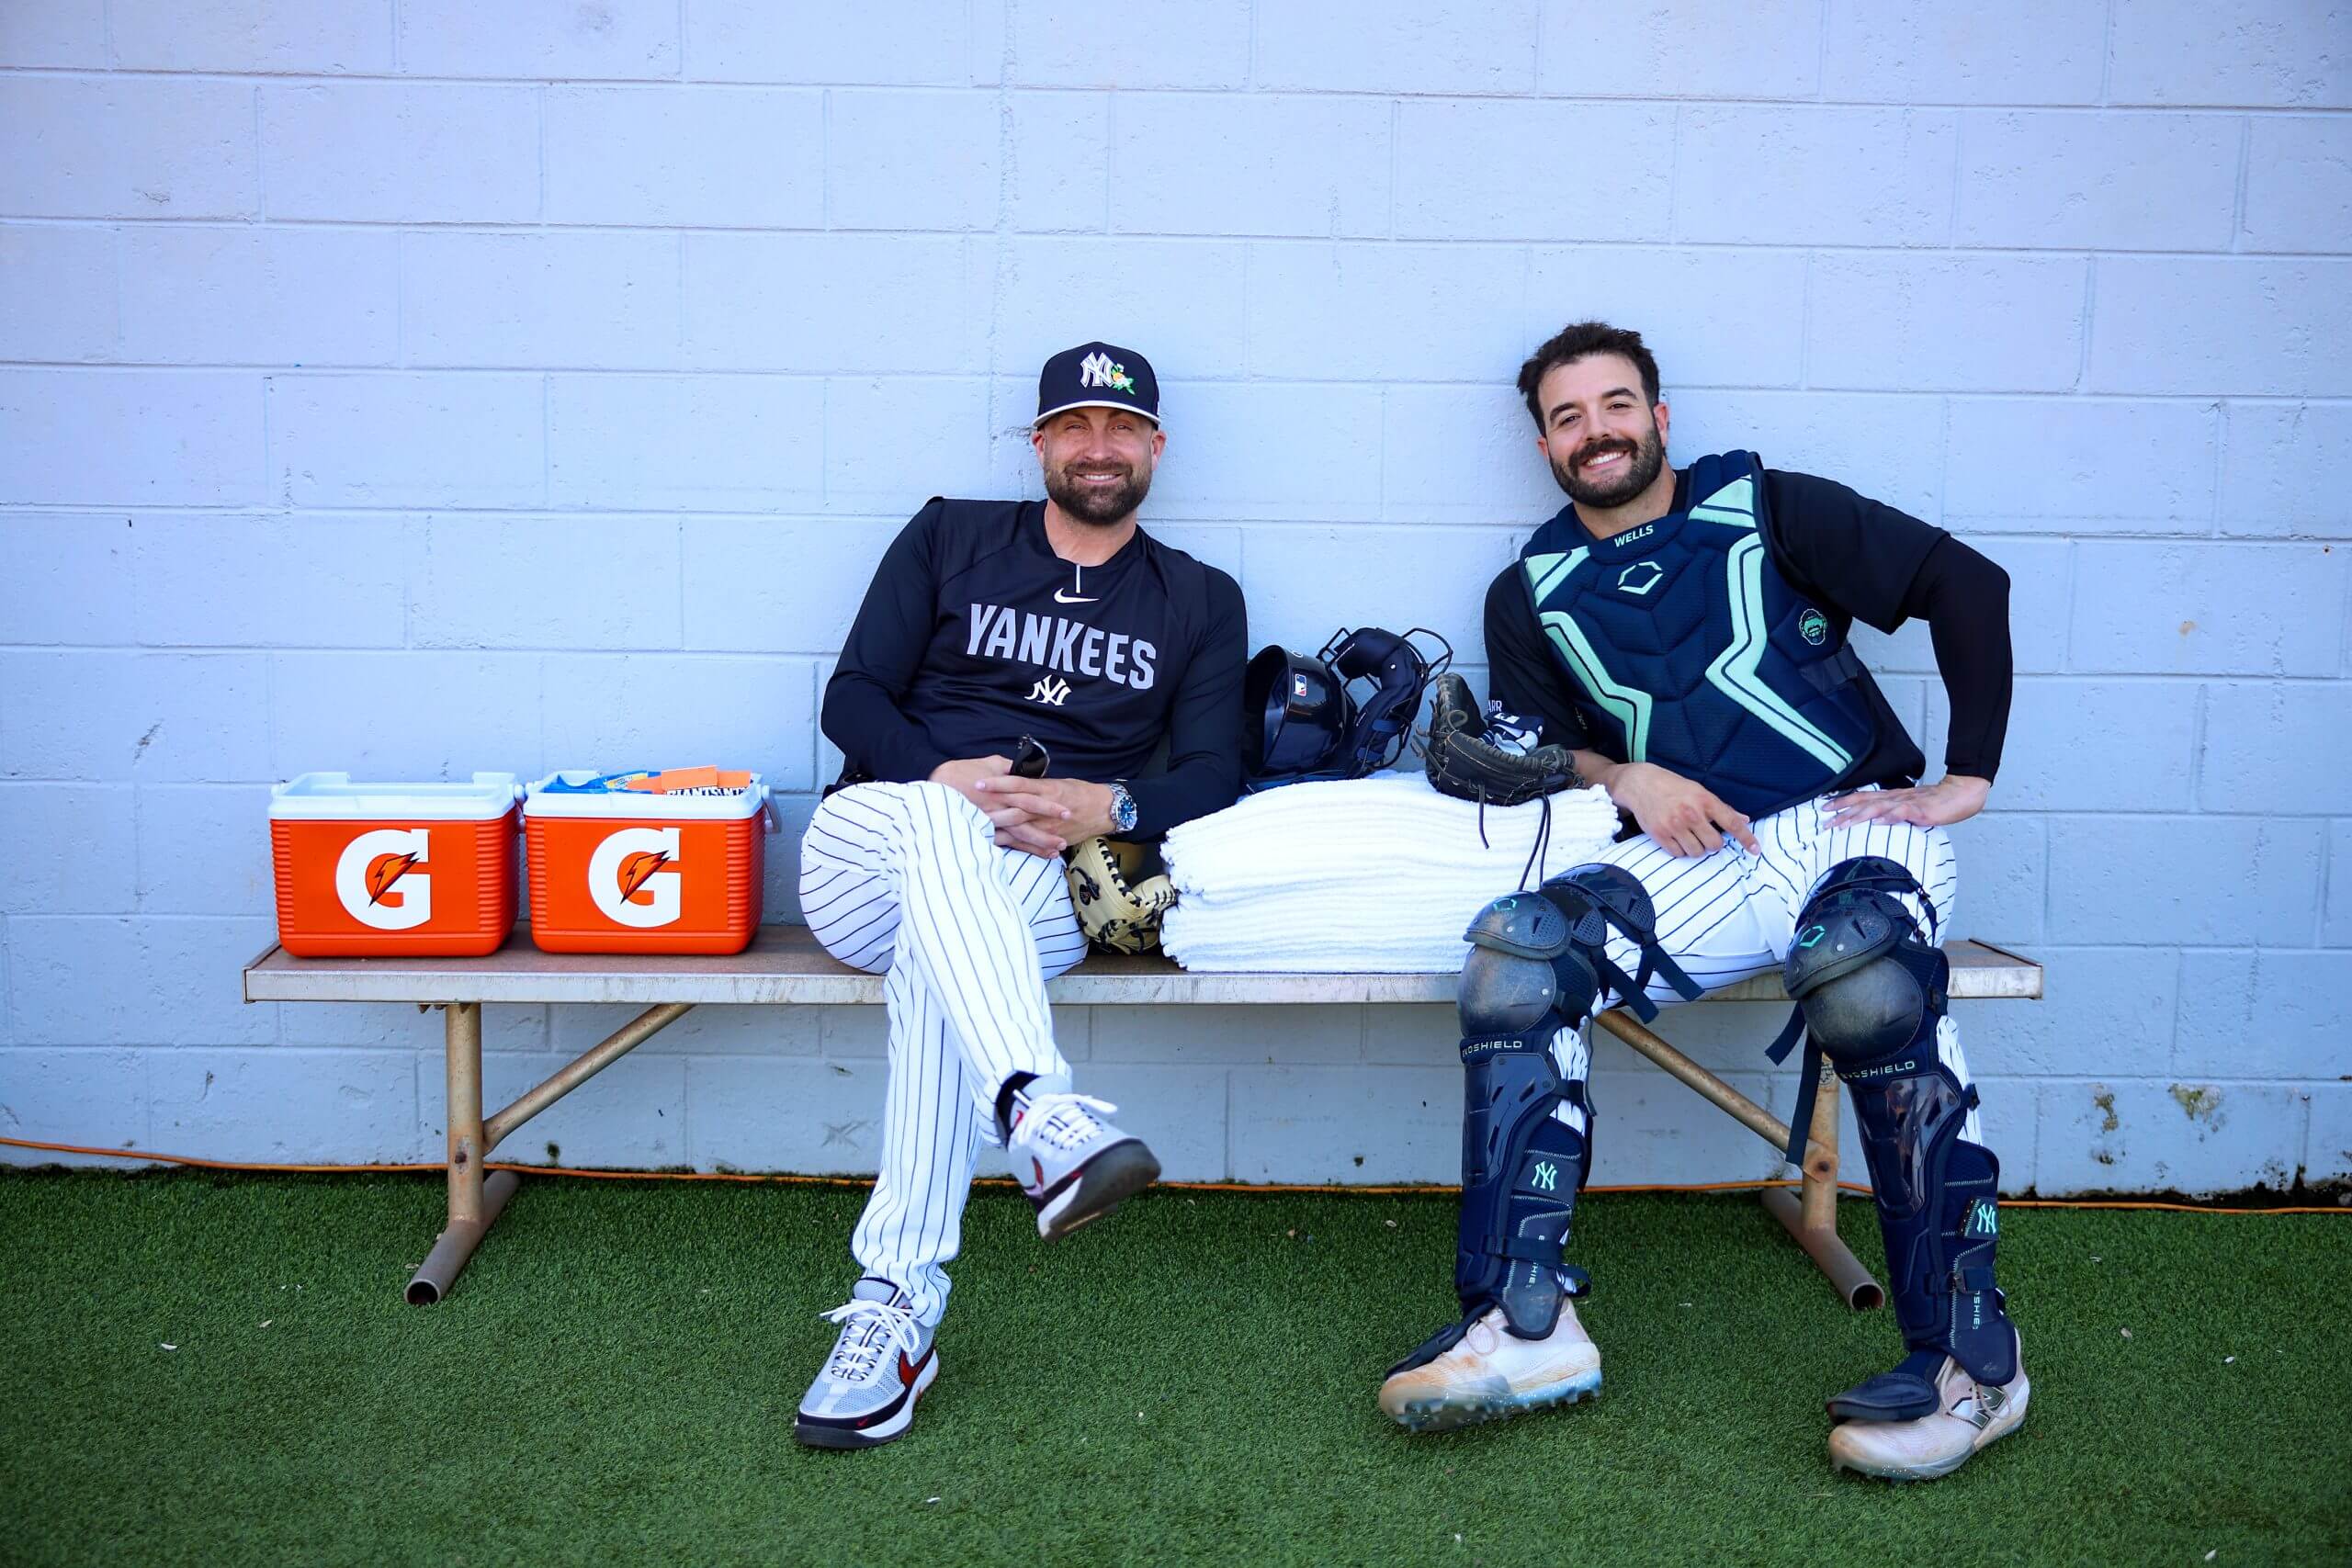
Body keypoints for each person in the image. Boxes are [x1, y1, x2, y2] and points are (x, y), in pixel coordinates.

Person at [1379, 321, 2026, 1483]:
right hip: (1698, 858)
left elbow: (1964, 583)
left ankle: (1973, 1365)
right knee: (1517, 954)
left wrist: (1966, 775)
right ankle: (1527, 1327)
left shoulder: (1768, 506)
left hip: (1847, 827)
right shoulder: (1526, 590)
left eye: (1615, 405)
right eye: (1568, 417)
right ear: (1542, 443)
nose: (1596, 431)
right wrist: (1622, 772)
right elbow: (1550, 751)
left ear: (1660, 418)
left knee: (1863, 975)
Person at [792, 342, 1248, 1449]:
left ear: (1155, 447)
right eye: (1076, 426)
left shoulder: (1197, 597)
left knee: (946, 954)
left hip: (1025, 893)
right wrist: (939, 778)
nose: (1100, 447)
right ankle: (1037, 1109)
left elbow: (1214, 774)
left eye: (1122, 428)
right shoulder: (950, 534)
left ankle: (897, 1309)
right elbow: (850, 699)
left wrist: (1112, 808)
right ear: (1039, 442)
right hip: (873, 848)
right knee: (946, 831)